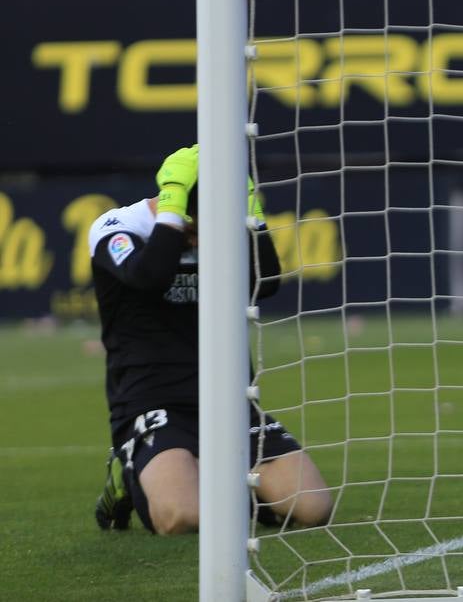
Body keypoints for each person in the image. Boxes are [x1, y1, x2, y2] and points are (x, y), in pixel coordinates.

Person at [92, 145, 333, 534]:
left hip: (230, 402)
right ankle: (129, 473)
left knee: (312, 508)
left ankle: (215, 478)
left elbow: (266, 281)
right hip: (154, 403)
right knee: (184, 517)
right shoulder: (117, 227)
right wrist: (172, 215)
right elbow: (149, 276)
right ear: (178, 207)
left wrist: (252, 210)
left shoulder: (221, 225)